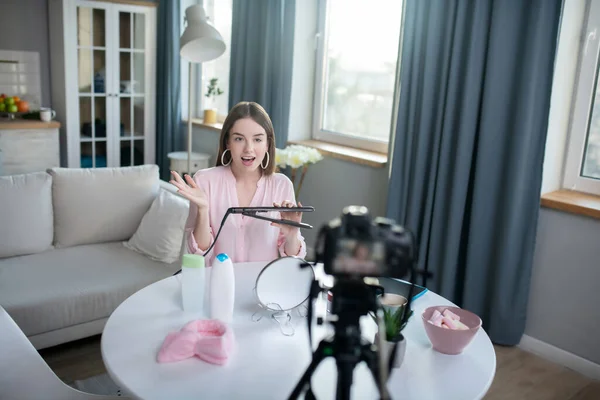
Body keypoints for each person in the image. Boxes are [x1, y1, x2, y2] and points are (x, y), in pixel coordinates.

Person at [170, 101, 307, 266]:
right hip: (216, 285)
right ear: (228, 142)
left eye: (257, 139)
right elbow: (198, 254)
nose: (248, 148)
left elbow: (292, 261)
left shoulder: (281, 185)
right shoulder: (205, 181)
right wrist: (203, 210)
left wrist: (292, 235)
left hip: (263, 287)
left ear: (268, 143)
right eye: (239, 139)